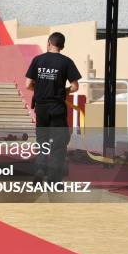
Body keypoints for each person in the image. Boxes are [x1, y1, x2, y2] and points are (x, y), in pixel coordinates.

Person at [25, 32, 81, 183]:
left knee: (42, 140)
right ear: (62, 45)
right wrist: (64, 91)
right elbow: (75, 86)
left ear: (49, 43)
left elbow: (27, 85)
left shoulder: (37, 60)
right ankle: (53, 179)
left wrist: (40, 90)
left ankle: (39, 170)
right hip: (57, 107)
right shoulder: (66, 62)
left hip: (41, 108)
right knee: (59, 142)